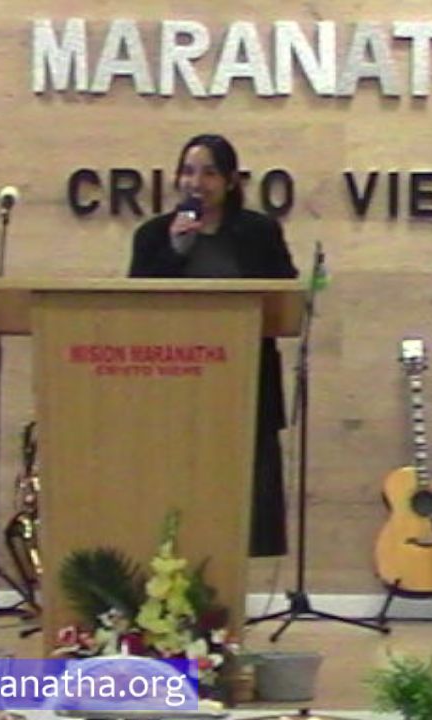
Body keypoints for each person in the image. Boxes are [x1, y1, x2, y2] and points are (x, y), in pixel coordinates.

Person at [129, 134, 298, 557]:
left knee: (243, 498)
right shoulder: (153, 235)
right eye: (188, 171)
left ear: (230, 181)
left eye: (209, 172)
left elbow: (285, 294)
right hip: (175, 384)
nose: (196, 182)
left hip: (244, 383)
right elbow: (137, 306)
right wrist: (175, 251)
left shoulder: (259, 232)